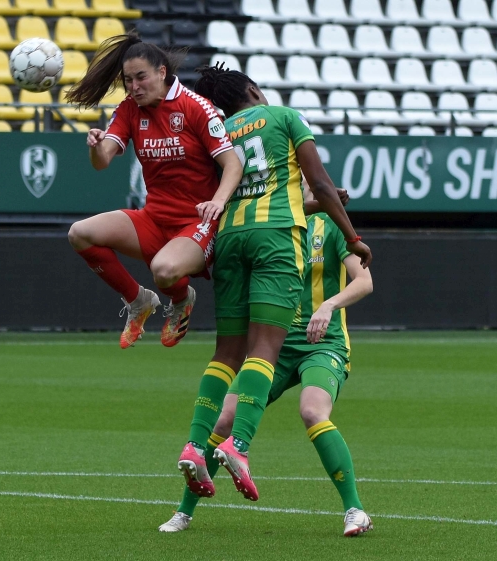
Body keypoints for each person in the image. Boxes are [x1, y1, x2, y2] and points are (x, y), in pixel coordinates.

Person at [176, 63, 372, 504]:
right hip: (274, 238)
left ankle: (195, 444)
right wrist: (354, 236)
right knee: (264, 349)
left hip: (228, 239)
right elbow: (320, 182)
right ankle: (238, 448)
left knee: (227, 352)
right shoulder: (284, 116)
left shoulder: (218, 131)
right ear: (253, 88)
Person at [161, 189, 374, 536]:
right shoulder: (273, 227)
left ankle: (355, 510)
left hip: (323, 343)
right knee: (224, 419)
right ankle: (183, 512)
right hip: (275, 346)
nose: (300, 185)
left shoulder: (330, 226)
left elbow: (364, 281)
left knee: (312, 411)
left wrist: (328, 305)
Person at [65, 34, 243, 349]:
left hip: (197, 222)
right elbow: (102, 161)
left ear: (162, 72)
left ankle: (180, 298)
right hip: (155, 218)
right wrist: (94, 145)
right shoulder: (129, 110)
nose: (134, 86)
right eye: (128, 80)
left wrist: (217, 203)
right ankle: (138, 301)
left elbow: (233, 164)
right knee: (79, 233)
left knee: (164, 270)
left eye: (141, 77)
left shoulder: (196, 107)